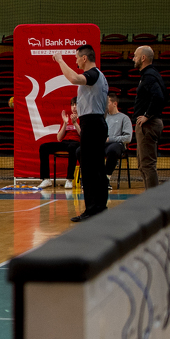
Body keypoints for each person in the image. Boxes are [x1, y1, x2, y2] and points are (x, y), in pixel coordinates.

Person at [55, 44, 109, 222]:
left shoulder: (92, 74)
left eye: (77, 57)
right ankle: (100, 207)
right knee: (97, 167)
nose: (76, 61)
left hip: (92, 124)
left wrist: (60, 60)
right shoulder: (100, 76)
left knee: (89, 168)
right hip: (97, 123)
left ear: (84, 58)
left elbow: (74, 78)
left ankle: (92, 210)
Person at [130, 45, 166, 189]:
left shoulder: (149, 76)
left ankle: (153, 199)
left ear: (143, 58)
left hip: (148, 125)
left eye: (135, 56)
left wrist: (147, 115)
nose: (133, 59)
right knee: (142, 165)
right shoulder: (152, 74)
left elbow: (159, 97)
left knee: (147, 165)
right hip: (148, 124)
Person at [36, 103, 80, 189]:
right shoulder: (67, 118)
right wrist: (65, 123)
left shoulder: (83, 119)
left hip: (77, 143)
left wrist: (75, 123)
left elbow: (83, 135)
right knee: (43, 147)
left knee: (72, 147)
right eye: (72, 105)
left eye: (76, 104)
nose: (74, 107)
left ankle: (69, 179)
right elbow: (59, 138)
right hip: (65, 142)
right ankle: (46, 179)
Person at [104, 94, 132, 186]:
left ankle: (106, 178)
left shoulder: (124, 118)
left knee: (112, 149)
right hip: (103, 144)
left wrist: (111, 139)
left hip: (117, 144)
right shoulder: (103, 117)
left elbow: (128, 138)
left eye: (107, 103)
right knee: (85, 150)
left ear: (114, 104)